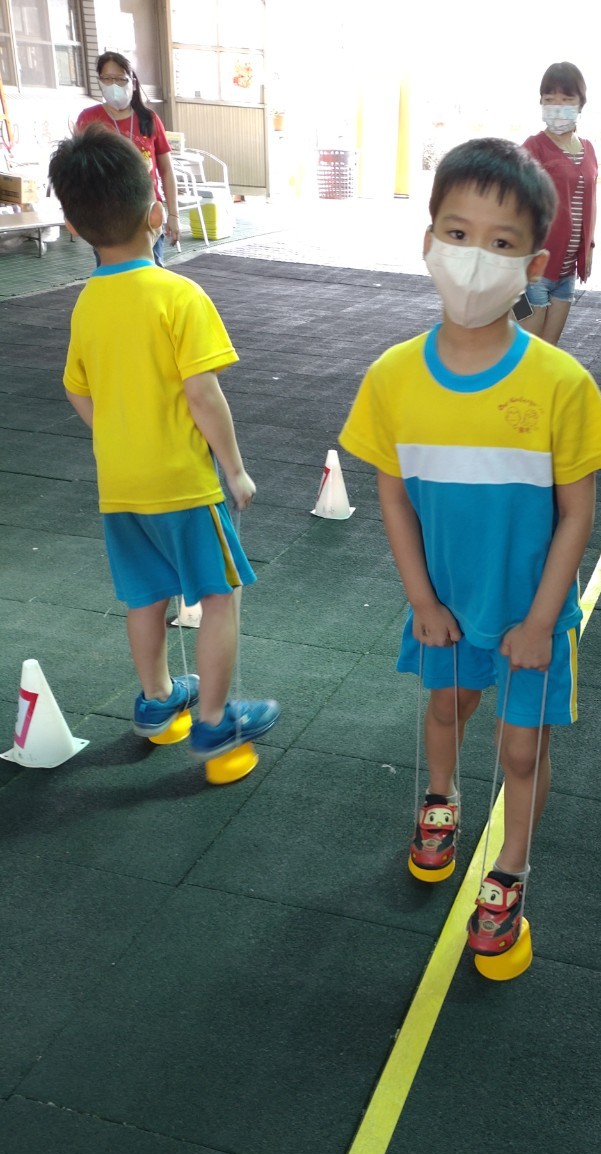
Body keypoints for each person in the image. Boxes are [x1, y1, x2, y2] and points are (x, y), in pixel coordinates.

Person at [339, 138, 601, 962]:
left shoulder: (559, 384)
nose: (473, 259)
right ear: (429, 240)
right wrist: (422, 601)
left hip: (531, 616)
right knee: (445, 711)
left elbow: (577, 514)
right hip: (446, 608)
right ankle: (440, 799)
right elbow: (392, 496)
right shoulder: (393, 377)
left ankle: (511, 868)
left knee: (521, 748)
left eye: (501, 243)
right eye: (458, 234)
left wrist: (540, 621)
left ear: (532, 264)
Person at [49, 128, 279, 762]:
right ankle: (214, 720)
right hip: (182, 483)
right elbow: (203, 394)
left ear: (73, 227)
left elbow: (75, 388)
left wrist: (119, 436)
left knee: (145, 594)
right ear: (156, 212)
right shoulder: (179, 295)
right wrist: (234, 469)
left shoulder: (87, 302)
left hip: (120, 487)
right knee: (220, 597)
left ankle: (156, 700)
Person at [520, 62, 598, 346]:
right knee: (526, 351)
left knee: (547, 352)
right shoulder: (532, 147)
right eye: (549, 99)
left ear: (580, 104)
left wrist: (588, 248)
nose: (557, 106)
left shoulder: (588, 149)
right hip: (532, 268)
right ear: (541, 102)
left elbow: (590, 202)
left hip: (566, 271)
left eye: (566, 99)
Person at [76, 51, 179, 265]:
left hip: (147, 215)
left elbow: (166, 170)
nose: (113, 85)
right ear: (99, 81)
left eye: (120, 79)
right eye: (107, 78)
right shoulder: (88, 119)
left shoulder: (149, 119)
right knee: (113, 275)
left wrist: (174, 215)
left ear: (132, 82)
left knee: (151, 272)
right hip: (106, 217)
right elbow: (78, 171)